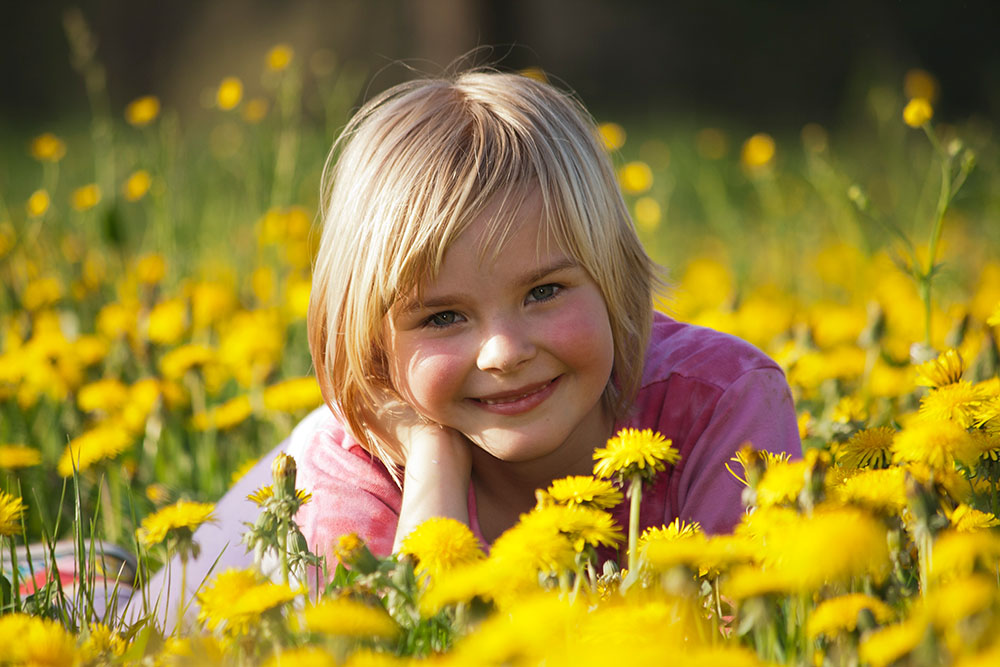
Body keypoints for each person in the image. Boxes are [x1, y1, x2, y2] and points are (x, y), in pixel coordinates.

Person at [151, 68, 800, 624]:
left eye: (544, 292)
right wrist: (432, 459)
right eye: (442, 317)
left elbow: (750, 632)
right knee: (132, 628)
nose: (503, 351)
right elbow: (388, 649)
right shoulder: (352, 462)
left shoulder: (723, 402)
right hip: (276, 503)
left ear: (612, 278)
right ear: (374, 347)